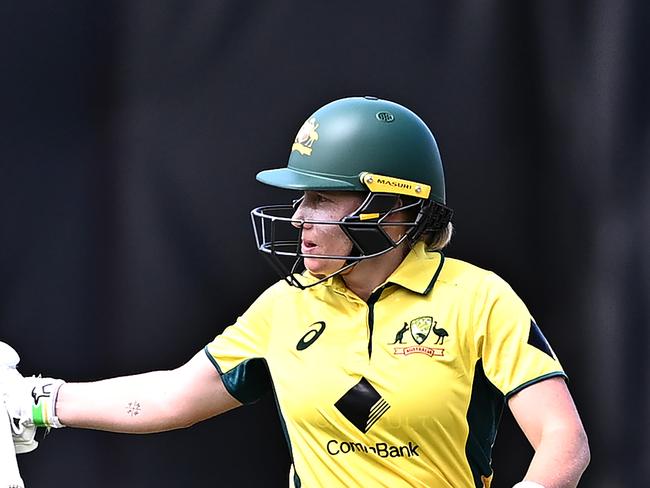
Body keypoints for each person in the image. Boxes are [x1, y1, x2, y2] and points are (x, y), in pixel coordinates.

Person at [2, 96, 589, 487]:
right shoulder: (284, 307)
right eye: (300, 199)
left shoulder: (478, 298)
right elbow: (172, 398)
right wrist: (37, 400)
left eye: (321, 198)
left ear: (393, 205)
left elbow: (563, 440)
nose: (299, 217)